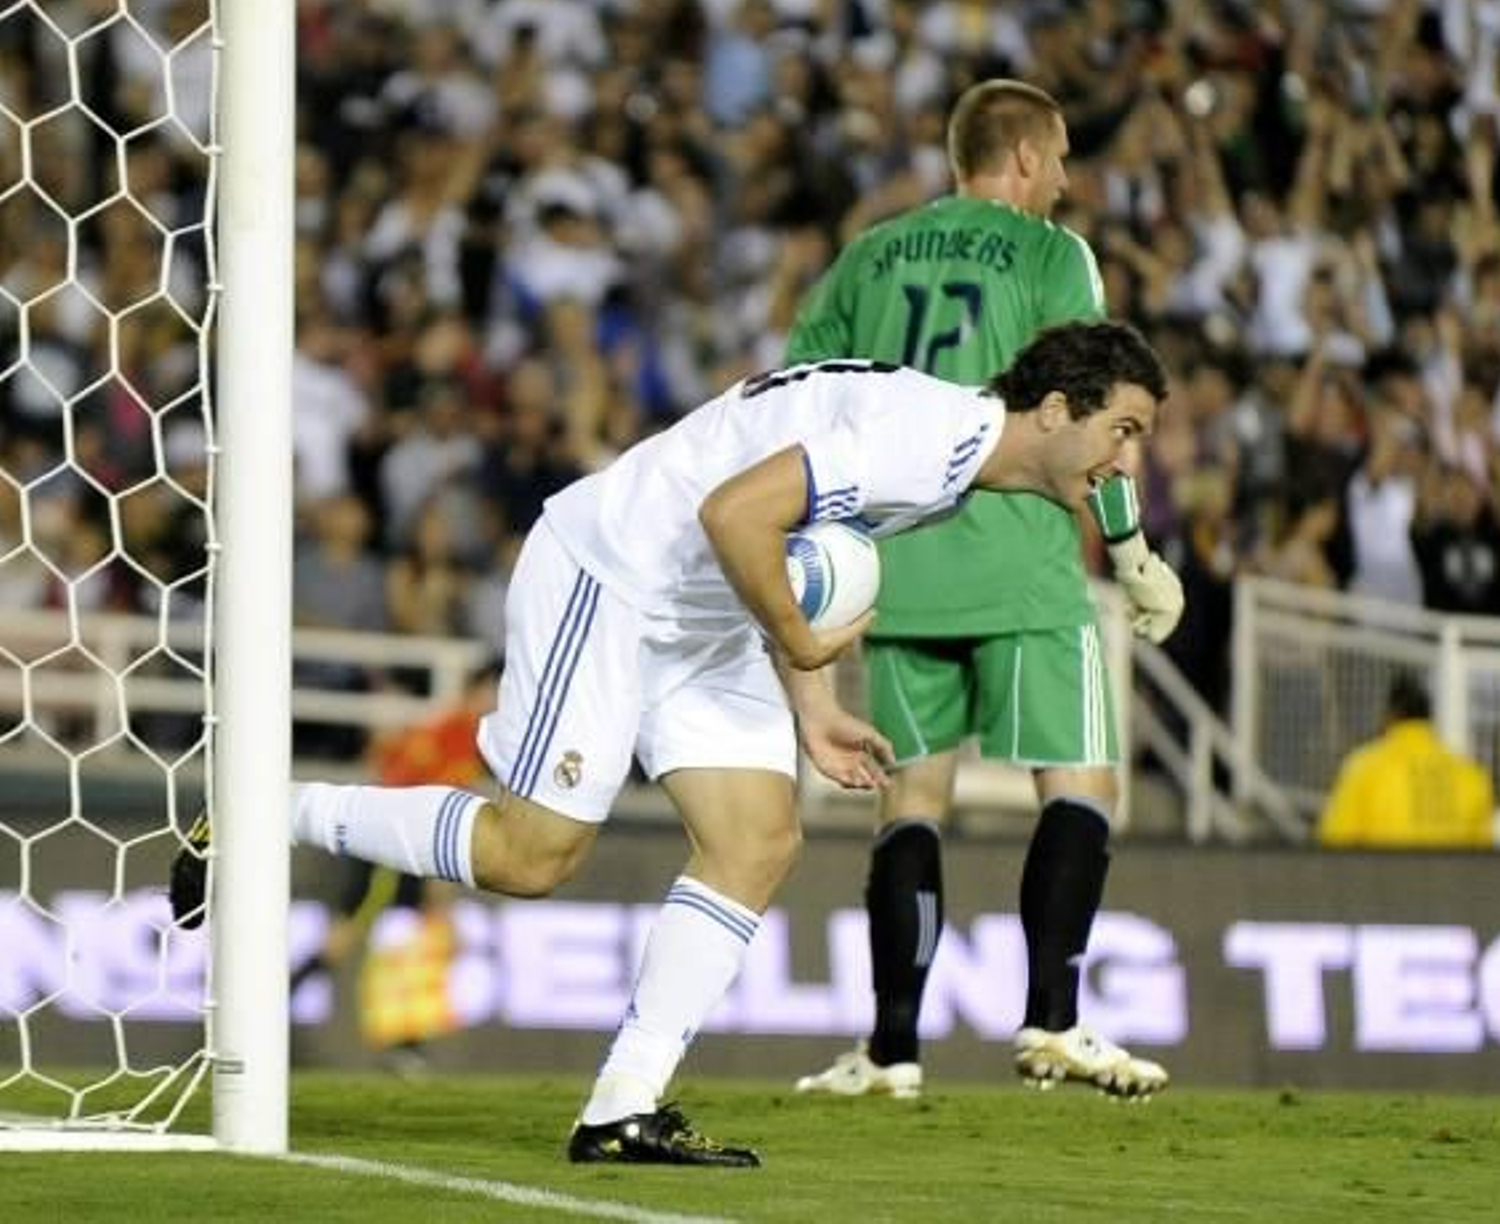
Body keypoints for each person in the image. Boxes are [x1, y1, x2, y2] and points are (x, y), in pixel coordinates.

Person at [172, 319, 1169, 1167]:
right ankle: (266, 808)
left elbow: (775, 532)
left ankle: (619, 1106)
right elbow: (733, 511)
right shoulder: (930, 438)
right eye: (1121, 429)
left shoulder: (946, 449)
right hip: (613, 577)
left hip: (703, 608)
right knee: (531, 855)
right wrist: (796, 639)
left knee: (756, 839)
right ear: (1051, 409)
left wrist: (811, 703)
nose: (1128, 462)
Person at [786, 79, 1180, 1104]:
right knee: (1082, 782)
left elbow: (800, 393)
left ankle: (890, 1049)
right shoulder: (1056, 255)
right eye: (1055, 160)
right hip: (1021, 552)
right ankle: (1051, 1020)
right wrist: (1132, 552)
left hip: (898, 562)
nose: (1064, 179)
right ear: (1018, 159)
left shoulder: (868, 253)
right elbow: (1095, 411)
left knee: (911, 803)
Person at [289, 659, 503, 1073]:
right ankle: (401, 1043)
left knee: (392, 937)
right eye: (496, 689)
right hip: (397, 845)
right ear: (478, 688)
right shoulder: (460, 732)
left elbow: (389, 762)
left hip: (388, 835)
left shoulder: (442, 728)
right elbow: (439, 799)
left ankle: (406, 1043)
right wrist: (439, 878)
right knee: (379, 936)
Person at [1317, 673, 1495, 849]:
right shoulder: (1472, 776)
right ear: (1428, 718)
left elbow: (1335, 842)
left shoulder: (1365, 767)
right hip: (1453, 877)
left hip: (1383, 876)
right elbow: (1482, 855)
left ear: (1391, 715)